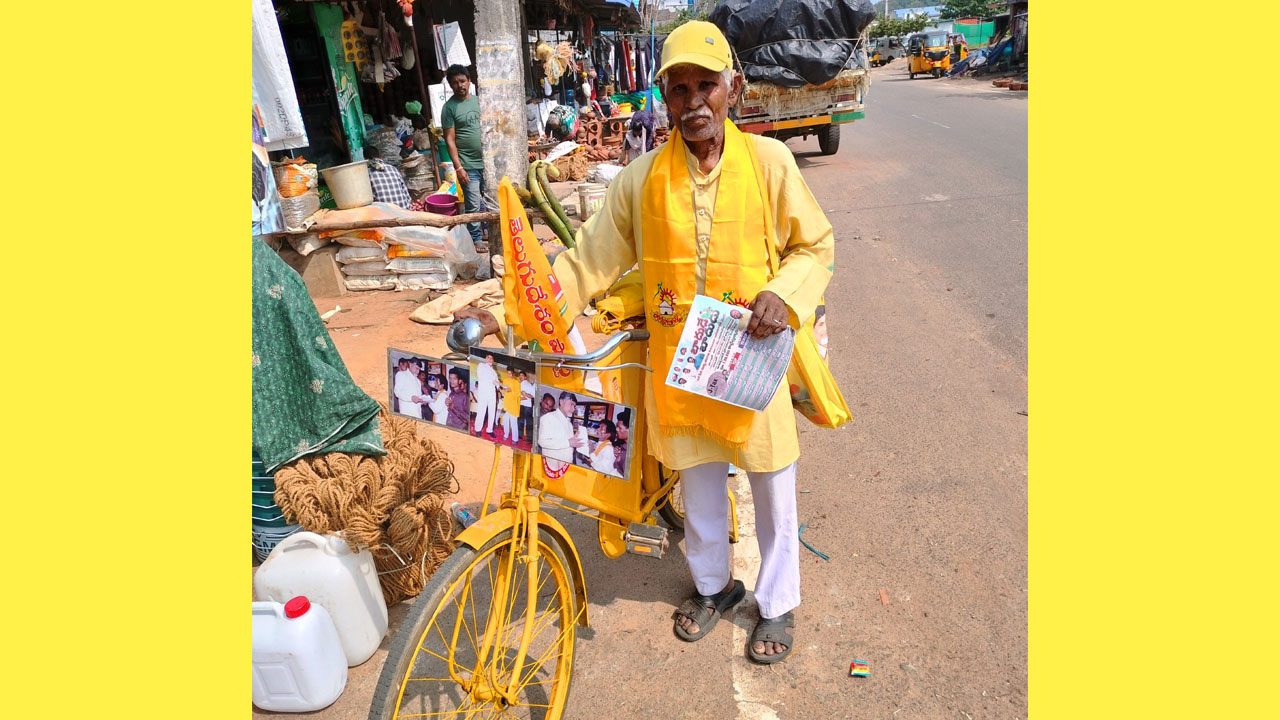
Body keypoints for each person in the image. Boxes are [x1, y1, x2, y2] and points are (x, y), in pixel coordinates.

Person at [454, 20, 834, 664]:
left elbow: (814, 246)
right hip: (683, 363)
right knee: (701, 486)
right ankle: (714, 587)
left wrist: (787, 293)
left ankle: (777, 604)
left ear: (732, 89)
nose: (693, 102)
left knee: (771, 485)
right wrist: (505, 313)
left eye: (705, 86)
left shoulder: (770, 163)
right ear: (664, 96)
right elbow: (585, 264)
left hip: (753, 359)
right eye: (678, 88)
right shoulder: (639, 180)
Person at [441, 64, 487, 246]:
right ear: (451, 86)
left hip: (488, 163)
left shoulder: (479, 101)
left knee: (492, 201)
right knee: (473, 204)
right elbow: (449, 140)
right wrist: (458, 167)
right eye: (455, 83)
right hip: (468, 165)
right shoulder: (449, 108)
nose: (460, 85)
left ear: (469, 81)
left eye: (462, 81)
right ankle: (475, 239)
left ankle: (487, 232)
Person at [536, 391, 588, 476]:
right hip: (552, 469)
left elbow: (570, 445)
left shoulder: (570, 424)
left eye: (574, 406)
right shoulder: (548, 418)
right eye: (571, 404)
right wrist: (568, 442)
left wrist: (582, 445)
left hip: (566, 468)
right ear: (561, 402)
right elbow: (542, 442)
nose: (573, 409)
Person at [471, 353, 500, 438]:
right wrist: (494, 381)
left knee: (492, 412)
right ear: (485, 358)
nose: (490, 359)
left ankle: (490, 430)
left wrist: (502, 387)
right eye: (488, 358)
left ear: (493, 361)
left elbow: (497, 383)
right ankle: (478, 429)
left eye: (492, 358)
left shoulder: (494, 372)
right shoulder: (481, 365)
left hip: (492, 394)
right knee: (481, 411)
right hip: (483, 393)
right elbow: (482, 376)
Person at [497, 369, 522, 445]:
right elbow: (503, 391)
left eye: (510, 373)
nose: (509, 375)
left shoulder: (517, 382)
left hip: (513, 405)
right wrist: (502, 389)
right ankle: (506, 434)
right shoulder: (505, 380)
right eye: (508, 373)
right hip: (505, 404)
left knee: (514, 423)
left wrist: (511, 390)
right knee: (505, 421)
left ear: (513, 374)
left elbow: (518, 394)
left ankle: (515, 439)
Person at [518, 371, 536, 443]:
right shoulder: (520, 384)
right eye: (520, 375)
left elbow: (532, 396)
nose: (521, 377)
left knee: (528, 422)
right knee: (520, 421)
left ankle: (529, 438)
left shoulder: (528, 385)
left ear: (525, 377)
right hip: (521, 404)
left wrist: (525, 395)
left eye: (522, 375)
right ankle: (520, 436)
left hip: (527, 406)